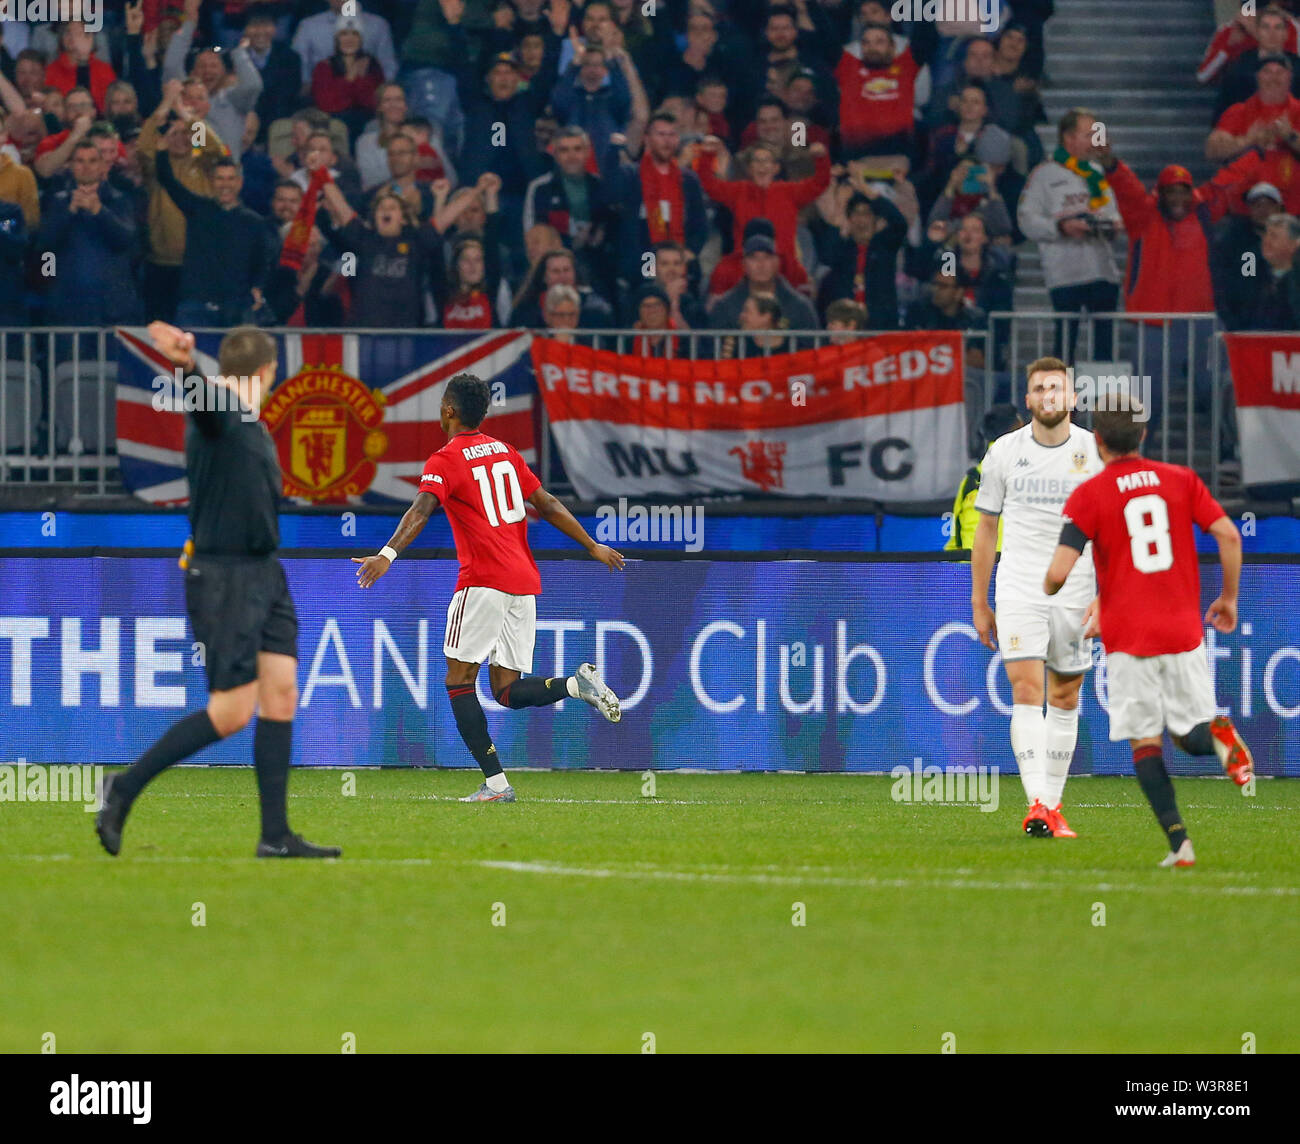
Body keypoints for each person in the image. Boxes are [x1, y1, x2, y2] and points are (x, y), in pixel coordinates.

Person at [97, 322, 341, 859]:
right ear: (267, 371)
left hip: (264, 573)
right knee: (231, 713)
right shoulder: (222, 413)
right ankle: (122, 788)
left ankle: (274, 836)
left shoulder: (247, 422)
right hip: (225, 576)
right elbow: (204, 403)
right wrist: (185, 364)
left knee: (281, 694)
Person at [352, 373, 626, 803]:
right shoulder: (507, 452)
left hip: (482, 582)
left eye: (442, 403)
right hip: (522, 584)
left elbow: (422, 508)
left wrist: (385, 555)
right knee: (505, 691)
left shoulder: (445, 459)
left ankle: (496, 785)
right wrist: (591, 545)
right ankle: (575, 686)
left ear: (449, 410)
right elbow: (548, 503)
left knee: (458, 680)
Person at [1044, 403, 1254, 868]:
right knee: (1190, 733)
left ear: (1097, 441)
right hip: (1183, 630)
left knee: (1146, 742)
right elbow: (1231, 537)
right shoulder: (1181, 479)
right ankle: (1222, 737)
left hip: (1130, 637)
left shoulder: (1090, 494)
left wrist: (1044, 587)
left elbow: (1059, 574)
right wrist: (1229, 599)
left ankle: (1180, 844)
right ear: (1143, 435)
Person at [970, 357, 1106, 840]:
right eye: (1040, 387)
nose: (1049, 394)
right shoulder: (1003, 453)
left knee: (1066, 695)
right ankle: (1040, 806)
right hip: (1020, 585)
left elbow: (1111, 532)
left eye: (1057, 387)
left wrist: (1106, 597)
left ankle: (1052, 802)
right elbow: (986, 529)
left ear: (1071, 398)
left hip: (1078, 586)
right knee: (1026, 691)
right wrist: (979, 600)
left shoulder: (1096, 452)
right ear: (1028, 400)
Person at [1018, 109, 1123, 360]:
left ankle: (1101, 399)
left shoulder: (1097, 172)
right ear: (1069, 138)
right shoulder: (1043, 174)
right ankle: (1062, 399)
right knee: (1064, 348)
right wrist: (1060, 227)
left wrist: (1110, 226)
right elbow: (1025, 219)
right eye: (1089, 135)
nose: (1095, 141)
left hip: (1103, 270)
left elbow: (1113, 213)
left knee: (1104, 352)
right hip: (1065, 274)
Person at [944, 402, 1022, 554]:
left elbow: (955, 542)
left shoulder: (971, 479)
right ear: (1018, 429)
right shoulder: (1029, 472)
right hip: (1010, 571)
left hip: (967, 570)